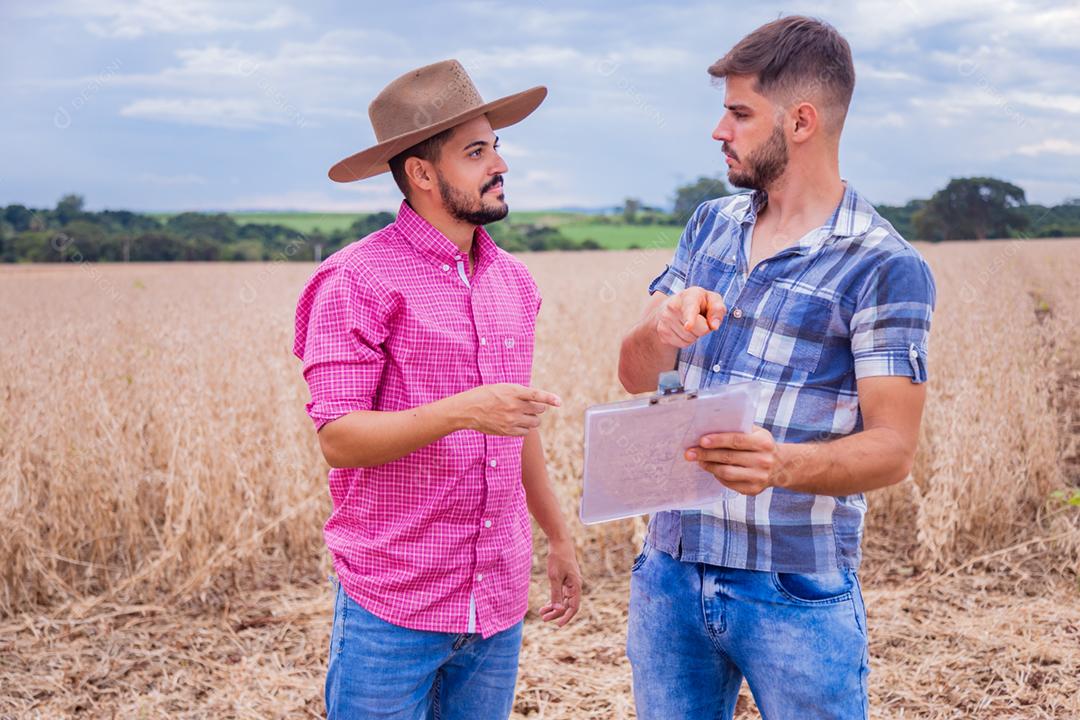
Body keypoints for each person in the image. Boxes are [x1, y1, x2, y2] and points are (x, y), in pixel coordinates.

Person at [617, 17, 936, 719]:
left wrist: (780, 466)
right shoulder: (708, 225)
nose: (718, 130)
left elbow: (893, 449)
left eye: (738, 113)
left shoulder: (884, 265)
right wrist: (657, 325)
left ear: (799, 121)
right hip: (669, 572)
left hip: (794, 590)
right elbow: (637, 376)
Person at [293, 59, 582, 720]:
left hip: (497, 600)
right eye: (475, 152)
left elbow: (515, 426)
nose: (499, 164)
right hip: (392, 605)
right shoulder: (355, 281)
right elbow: (339, 437)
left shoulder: (515, 282)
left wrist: (557, 538)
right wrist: (463, 411)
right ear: (422, 174)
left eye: (496, 147)